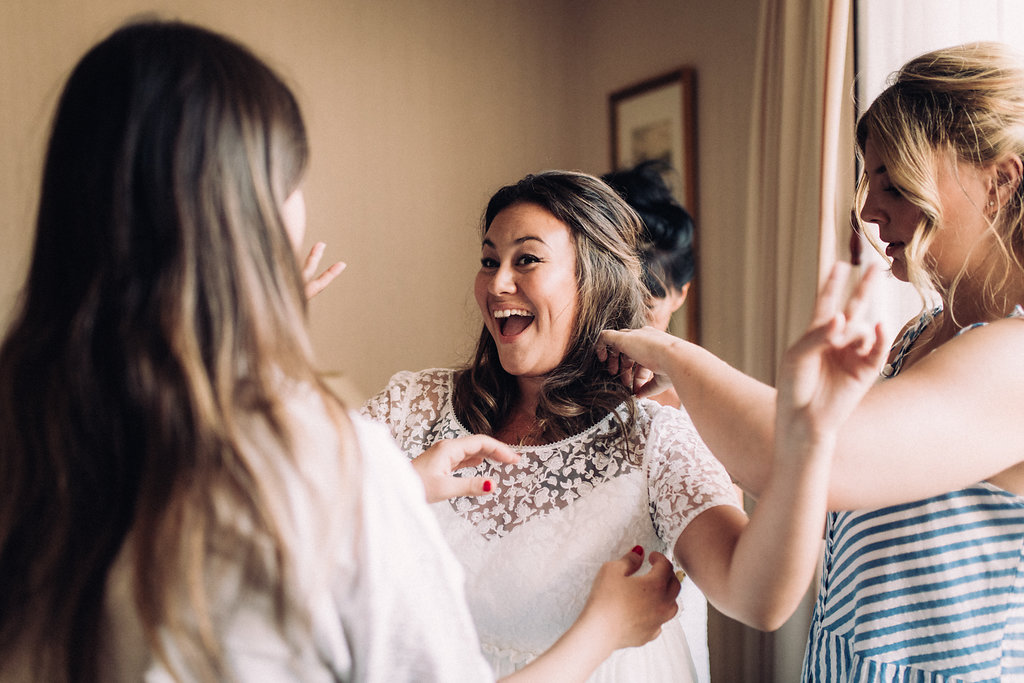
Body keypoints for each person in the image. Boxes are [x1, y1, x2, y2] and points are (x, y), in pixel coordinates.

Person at [0, 20, 684, 683]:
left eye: (526, 259)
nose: (498, 281)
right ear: (242, 214)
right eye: (290, 181)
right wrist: (602, 629)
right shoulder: (325, 457)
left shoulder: (30, 428)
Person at [598, 42, 1024, 681]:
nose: (870, 209)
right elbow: (815, 500)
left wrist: (670, 353)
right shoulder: (920, 336)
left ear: (1000, 182)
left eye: (894, 181)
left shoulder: (1015, 360)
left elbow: (806, 464)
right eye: (870, 180)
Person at [361, 169, 885, 682]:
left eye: (527, 259)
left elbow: (758, 598)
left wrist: (808, 440)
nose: (497, 283)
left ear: (594, 281)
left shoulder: (653, 437)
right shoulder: (414, 405)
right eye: (489, 260)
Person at [601, 160, 713, 679]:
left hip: (669, 625)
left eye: (647, 301)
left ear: (681, 293)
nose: (629, 319)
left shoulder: (698, 402)